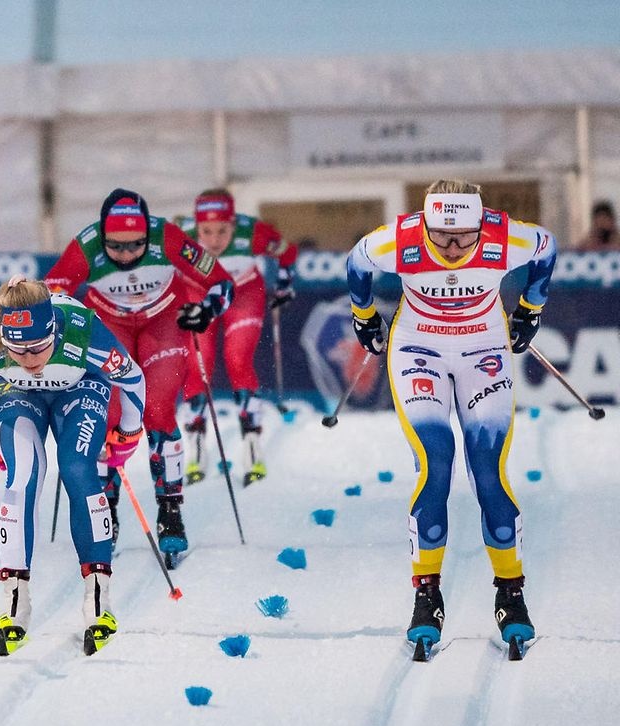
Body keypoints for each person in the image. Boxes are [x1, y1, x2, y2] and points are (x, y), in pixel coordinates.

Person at [345, 178, 555, 655]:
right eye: (442, 237)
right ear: (426, 225)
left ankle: (510, 591)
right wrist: (363, 315)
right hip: (418, 348)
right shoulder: (400, 238)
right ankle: (427, 594)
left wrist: (531, 309)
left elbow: (547, 247)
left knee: (488, 470)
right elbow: (358, 259)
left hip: (484, 348)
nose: (455, 248)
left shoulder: (505, 236)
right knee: (436, 460)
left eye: (465, 236)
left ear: (483, 225)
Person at [0, 277, 147, 656]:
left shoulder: (85, 334)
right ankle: (15, 607)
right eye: (17, 351)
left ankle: (98, 603)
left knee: (77, 468)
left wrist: (129, 431)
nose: (29, 360)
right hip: (15, 393)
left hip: (81, 387)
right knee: (22, 475)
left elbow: (134, 379)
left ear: (54, 331)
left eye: (39, 348)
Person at [45, 189, 233, 560]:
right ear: (102, 239)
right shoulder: (85, 246)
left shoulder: (168, 238)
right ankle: (107, 510)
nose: (127, 255)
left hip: (163, 320)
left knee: (158, 410)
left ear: (148, 234)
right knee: (108, 416)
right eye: (116, 247)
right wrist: (61, 327)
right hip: (109, 323)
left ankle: (170, 510)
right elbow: (52, 292)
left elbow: (222, 283)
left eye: (136, 246)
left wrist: (206, 311)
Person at [179, 188, 298, 485]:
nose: (215, 240)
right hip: (199, 293)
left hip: (243, 292)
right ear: (196, 226)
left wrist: (284, 284)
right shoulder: (182, 237)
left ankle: (252, 444)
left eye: (223, 231)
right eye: (206, 231)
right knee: (197, 364)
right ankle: (195, 445)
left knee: (237, 359)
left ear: (235, 224)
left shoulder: (253, 233)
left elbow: (287, 252)